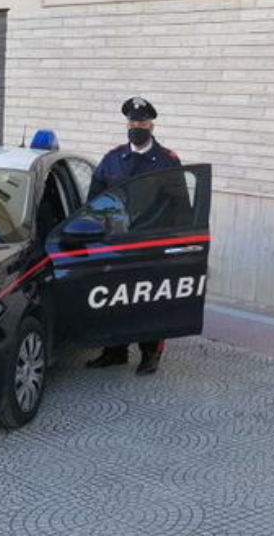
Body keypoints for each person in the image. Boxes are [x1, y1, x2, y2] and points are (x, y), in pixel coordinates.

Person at [84, 96, 181, 375]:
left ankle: (150, 353)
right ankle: (115, 351)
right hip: (116, 243)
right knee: (115, 299)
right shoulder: (113, 158)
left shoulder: (167, 161)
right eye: (132, 123)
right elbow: (94, 201)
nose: (136, 127)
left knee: (149, 301)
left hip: (150, 246)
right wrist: (95, 233)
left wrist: (174, 246)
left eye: (142, 123)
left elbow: (179, 207)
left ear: (151, 126)